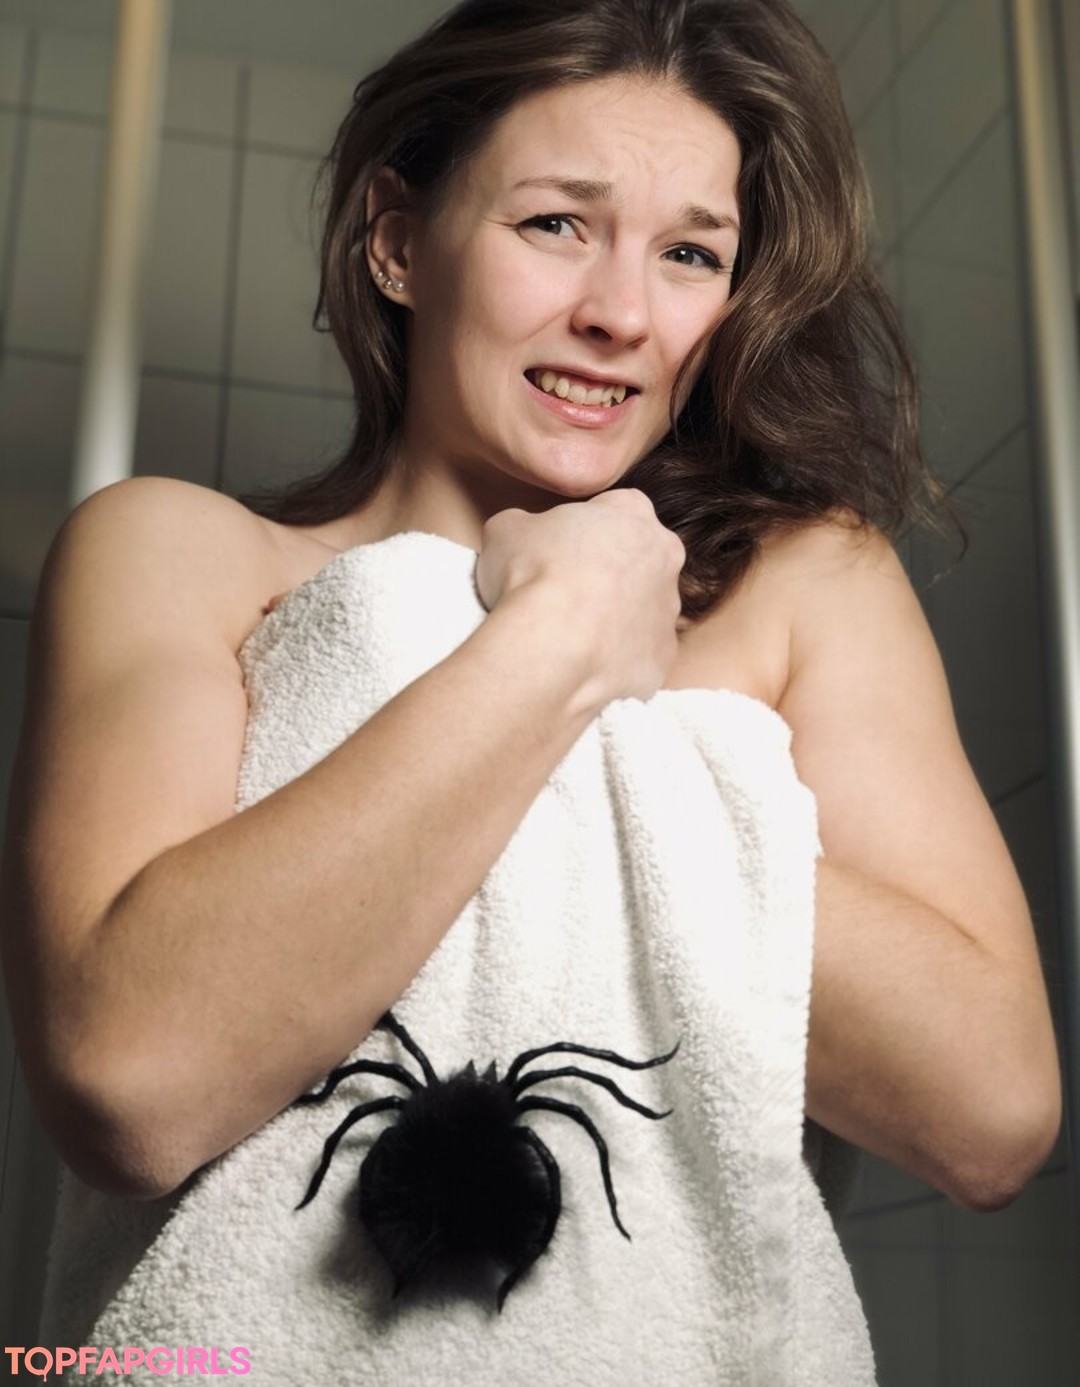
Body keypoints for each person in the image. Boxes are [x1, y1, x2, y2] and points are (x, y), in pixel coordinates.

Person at [0, 0, 1061, 1378]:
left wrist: (606, 698)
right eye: (557, 223)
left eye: (691, 253)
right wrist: (557, 647)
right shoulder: (180, 557)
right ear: (398, 240)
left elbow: (993, 1115)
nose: (621, 314)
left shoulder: (806, 590)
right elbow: (131, 1080)